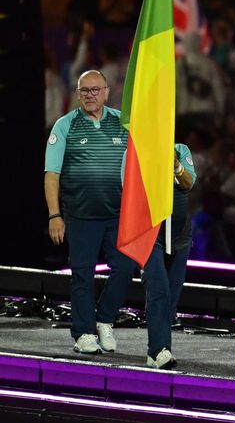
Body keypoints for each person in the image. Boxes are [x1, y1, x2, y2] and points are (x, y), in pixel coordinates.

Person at [44, 70, 137, 354]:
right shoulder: (64, 125)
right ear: (77, 93)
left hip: (118, 215)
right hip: (81, 215)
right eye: (84, 91)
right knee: (82, 274)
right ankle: (83, 333)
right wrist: (54, 215)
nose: (90, 95)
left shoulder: (124, 123)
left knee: (126, 267)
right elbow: (52, 174)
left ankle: (104, 320)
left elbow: (140, 166)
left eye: (95, 90)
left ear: (107, 92)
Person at [139, 144, 196, 369]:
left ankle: (157, 351)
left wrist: (175, 165)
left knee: (171, 298)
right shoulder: (134, 152)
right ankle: (160, 349)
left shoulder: (180, 150)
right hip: (149, 233)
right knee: (158, 290)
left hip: (180, 236)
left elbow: (189, 183)